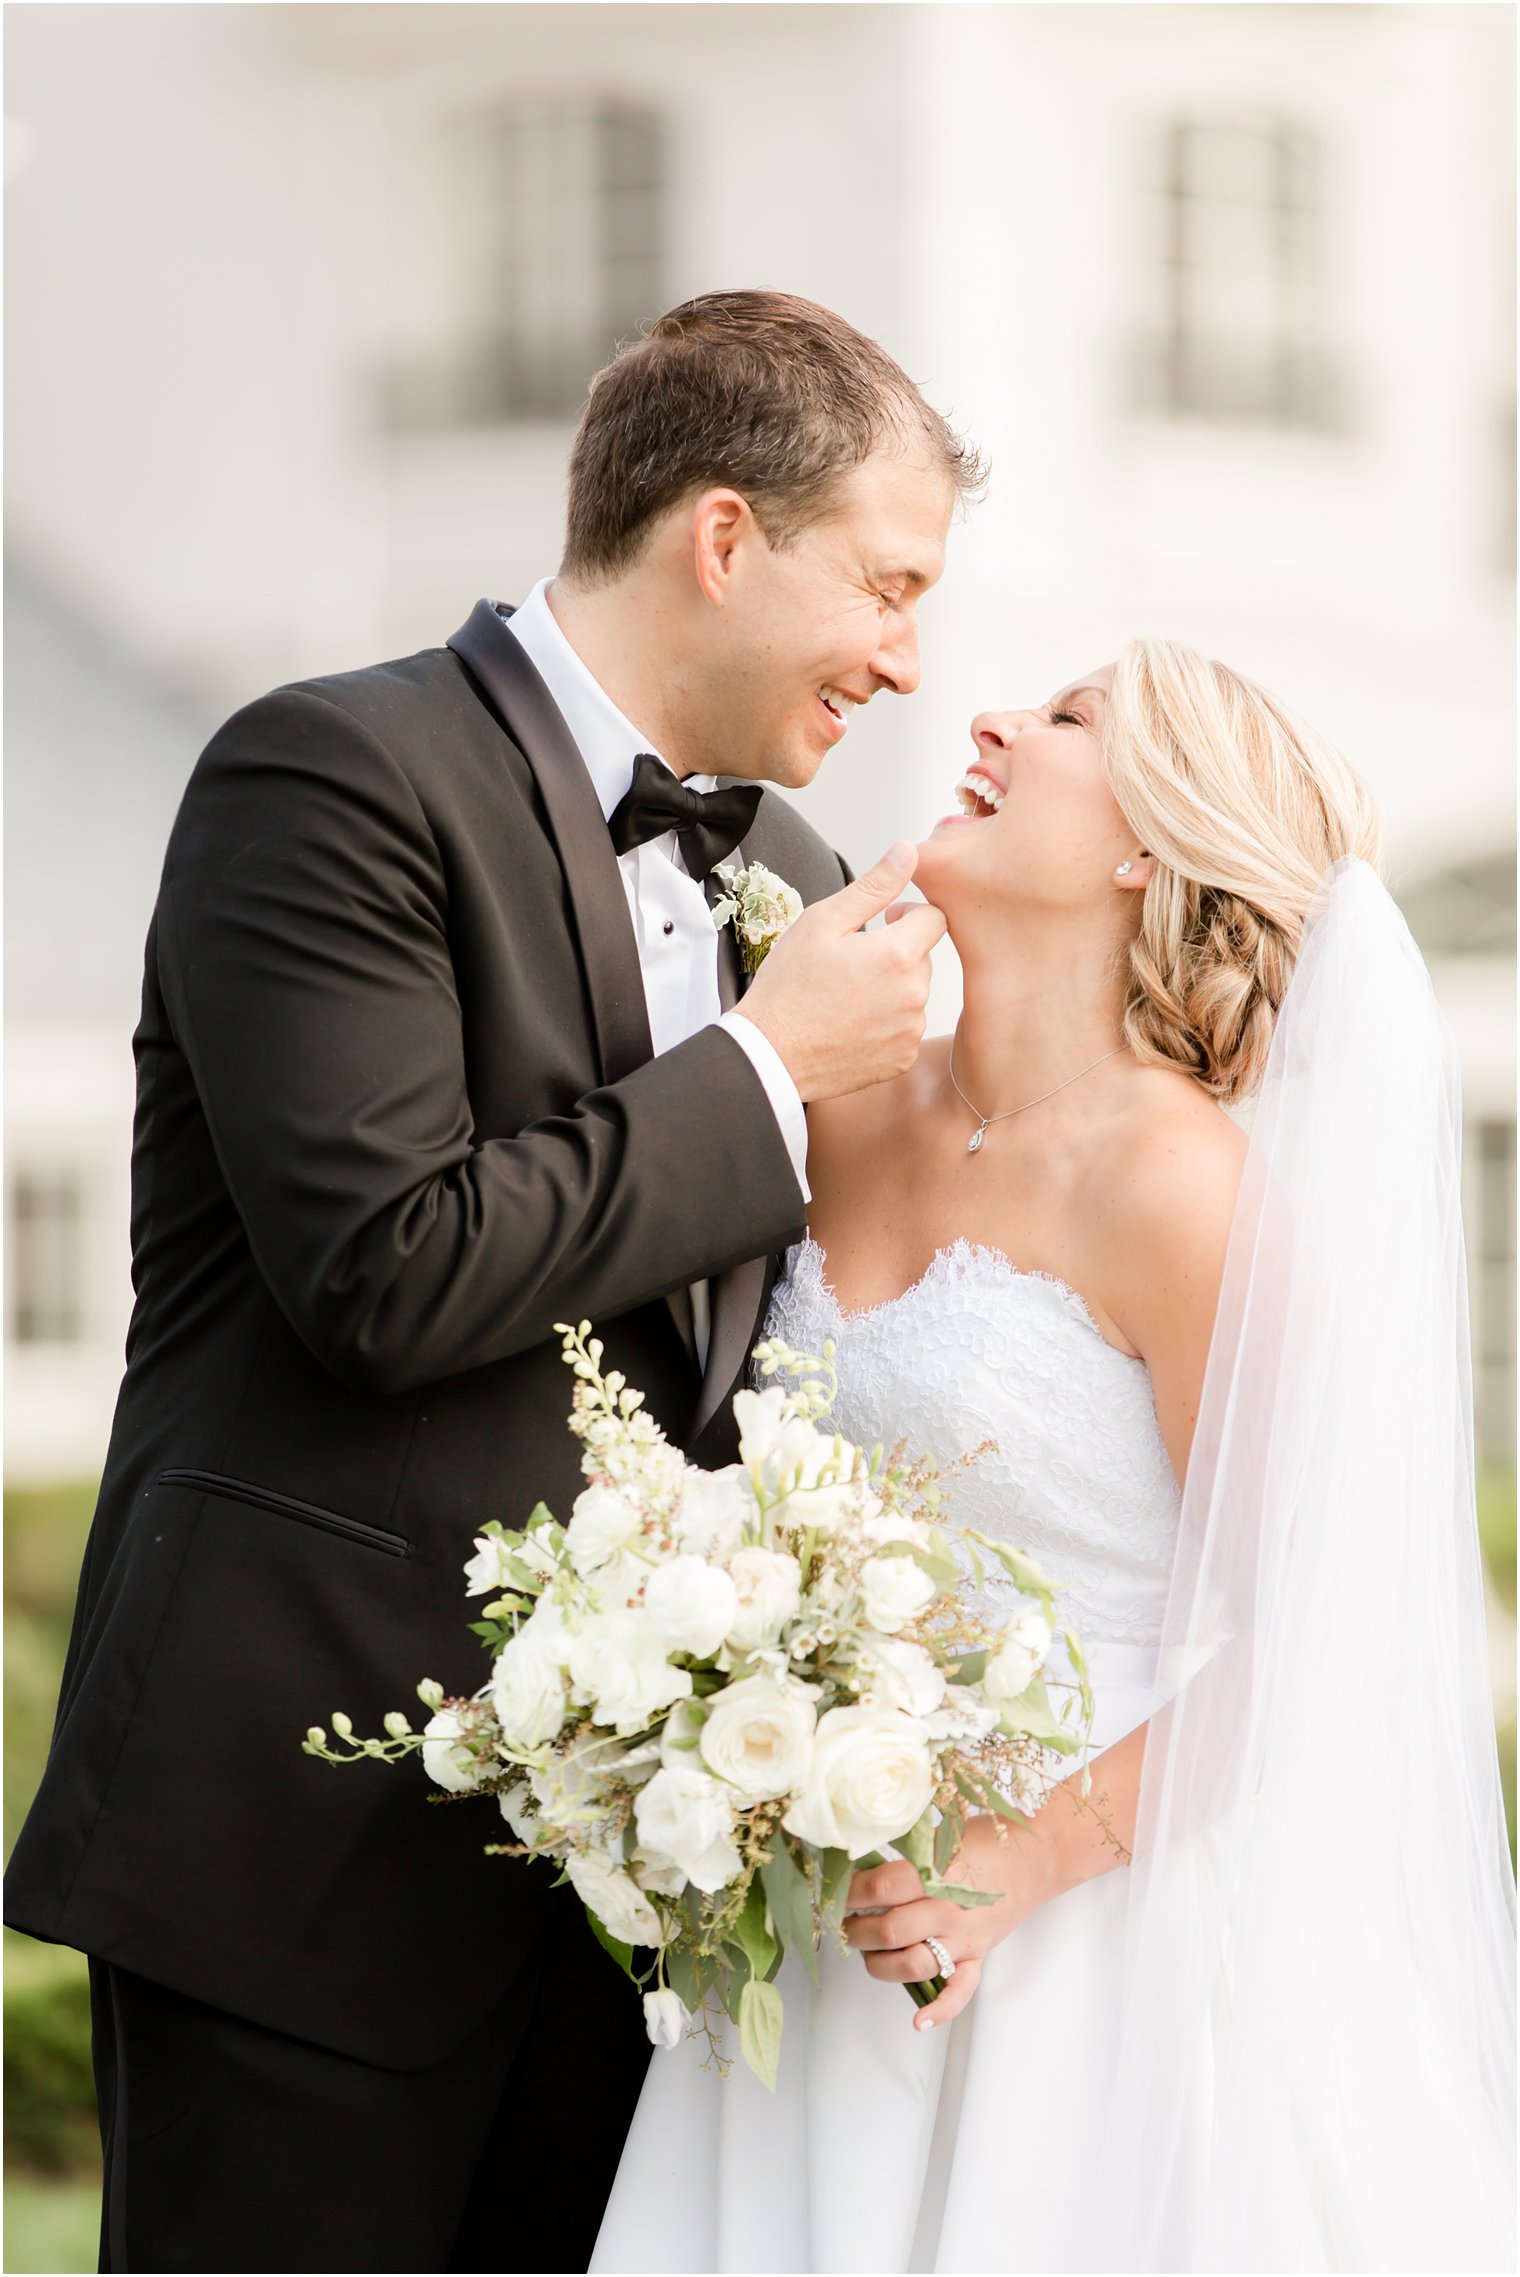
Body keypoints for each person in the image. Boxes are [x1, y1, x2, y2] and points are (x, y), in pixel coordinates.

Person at [2, 290, 983, 2275]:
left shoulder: (791, 861)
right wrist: (772, 1068)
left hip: (641, 1891)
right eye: (882, 583)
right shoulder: (330, 776)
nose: (903, 651)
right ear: (724, 536)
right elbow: (384, 1267)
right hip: (306, 1849)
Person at [591, 640, 1517, 2273]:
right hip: (816, 1920)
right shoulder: (839, 1105)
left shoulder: (1183, 1190)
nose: (993, 719)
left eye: (1070, 716)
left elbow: (1320, 1642)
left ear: (1144, 843)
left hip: (1096, 1963)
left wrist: (1025, 1857)